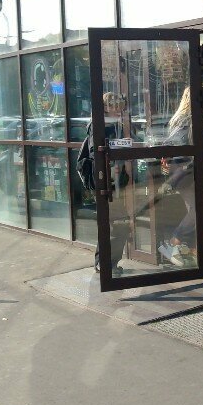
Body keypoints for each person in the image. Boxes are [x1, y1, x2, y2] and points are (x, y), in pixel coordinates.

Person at [78, 91, 132, 274]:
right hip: (104, 179)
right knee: (117, 221)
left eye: (119, 106)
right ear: (105, 107)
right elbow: (96, 151)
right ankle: (104, 262)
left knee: (116, 222)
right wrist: (117, 146)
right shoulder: (98, 124)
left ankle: (107, 262)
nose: (117, 109)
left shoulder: (118, 124)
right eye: (113, 105)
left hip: (116, 180)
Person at [158, 87, 197, 268]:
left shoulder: (180, 118)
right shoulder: (187, 119)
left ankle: (192, 251)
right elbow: (181, 144)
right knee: (198, 210)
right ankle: (174, 241)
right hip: (185, 169)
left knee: (195, 210)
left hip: (183, 168)